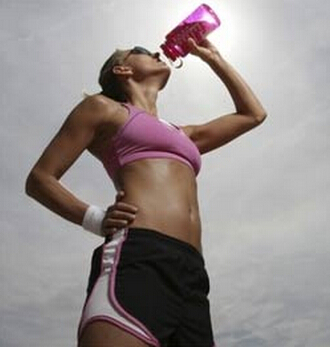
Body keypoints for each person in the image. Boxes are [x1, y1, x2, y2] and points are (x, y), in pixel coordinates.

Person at [25, 38, 267, 347]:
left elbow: (252, 114)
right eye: (140, 50)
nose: (155, 52)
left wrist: (213, 57)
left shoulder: (183, 134)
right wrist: (95, 218)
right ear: (122, 69)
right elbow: (40, 179)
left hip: (192, 273)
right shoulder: (104, 109)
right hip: (139, 254)